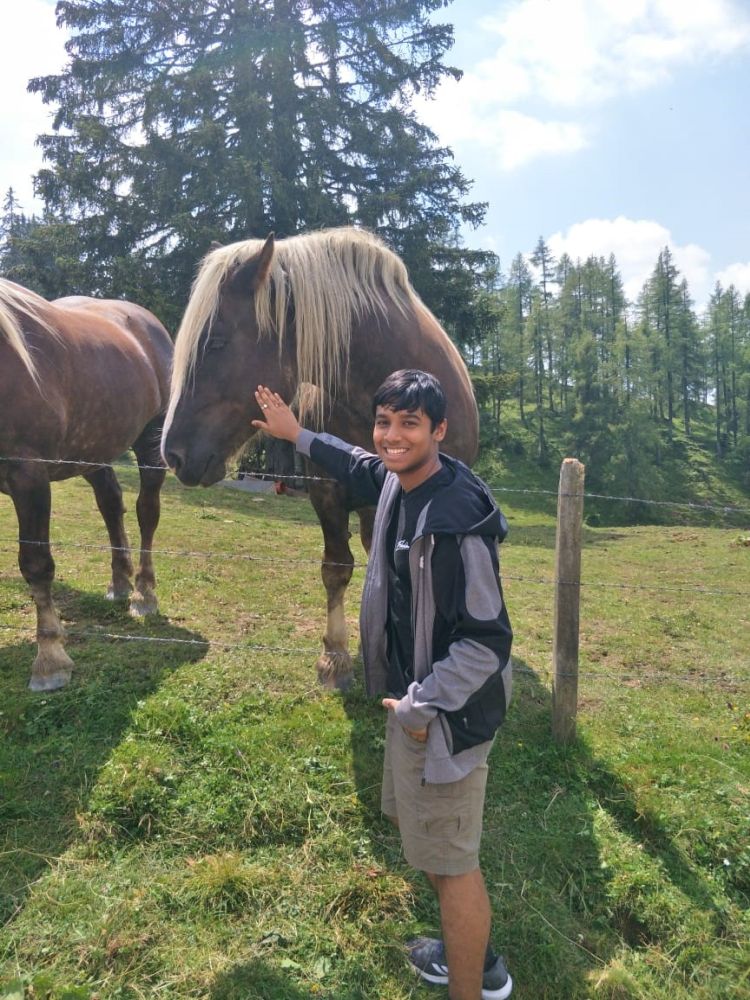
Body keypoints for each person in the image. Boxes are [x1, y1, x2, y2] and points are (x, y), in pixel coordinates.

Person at [252, 370, 513, 1000]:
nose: (392, 437)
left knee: (452, 864)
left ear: (440, 430)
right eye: (384, 422)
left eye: (409, 424)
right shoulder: (403, 481)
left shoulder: (455, 521)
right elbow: (358, 463)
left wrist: (422, 707)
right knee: (430, 849)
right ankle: (469, 956)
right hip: (415, 707)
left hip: (445, 718)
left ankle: (475, 985)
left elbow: (487, 642)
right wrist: (298, 434)